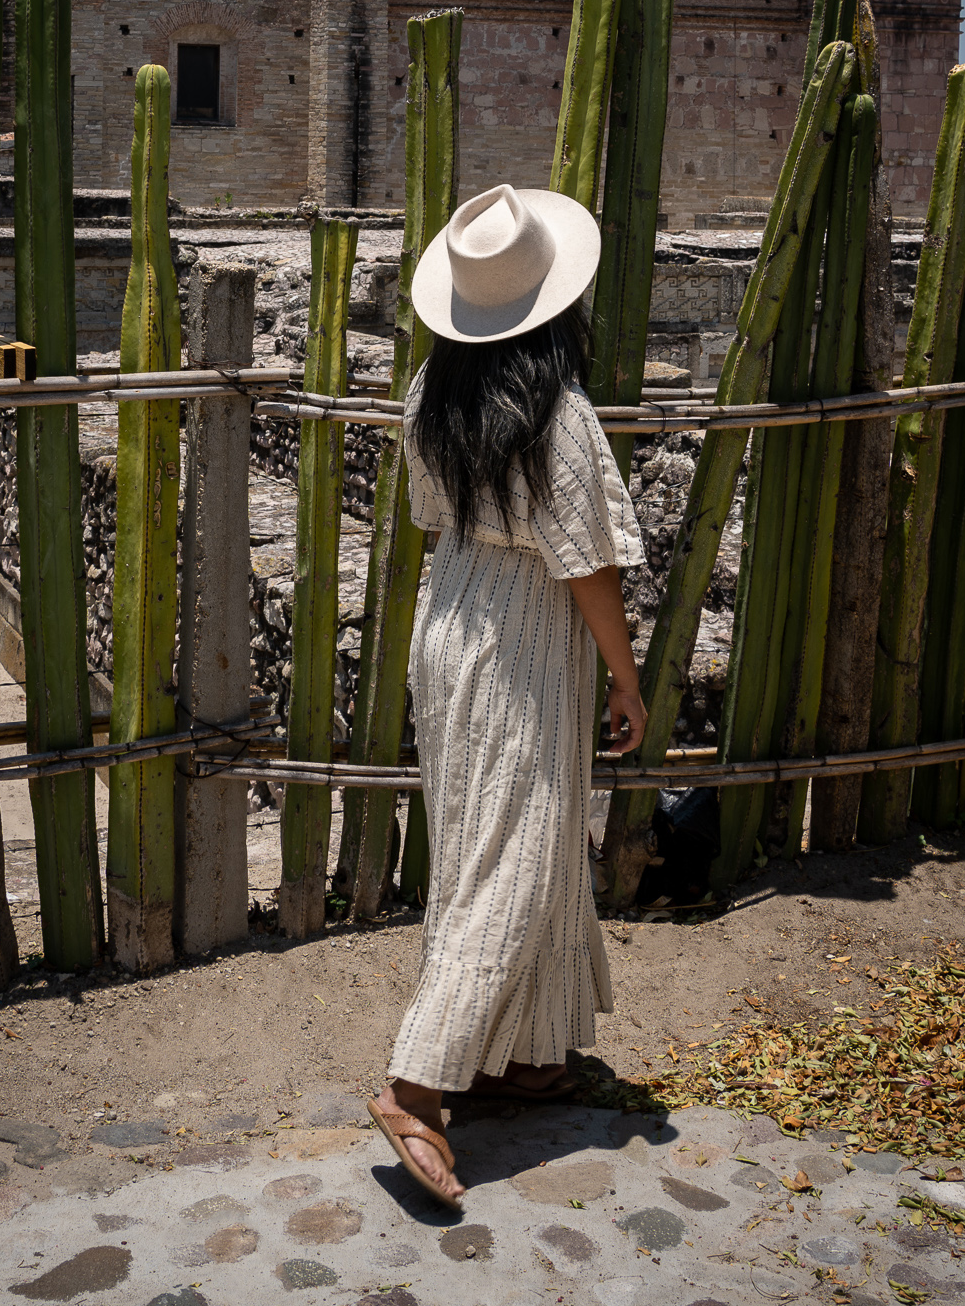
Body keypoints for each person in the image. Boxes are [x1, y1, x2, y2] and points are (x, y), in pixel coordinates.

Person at [367, 182, 648, 1209]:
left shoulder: (428, 395)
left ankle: (521, 1052)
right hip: (526, 639)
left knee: (486, 840)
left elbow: (431, 515)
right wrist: (625, 674)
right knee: (519, 856)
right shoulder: (559, 419)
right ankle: (417, 1080)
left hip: (450, 626)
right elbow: (586, 565)